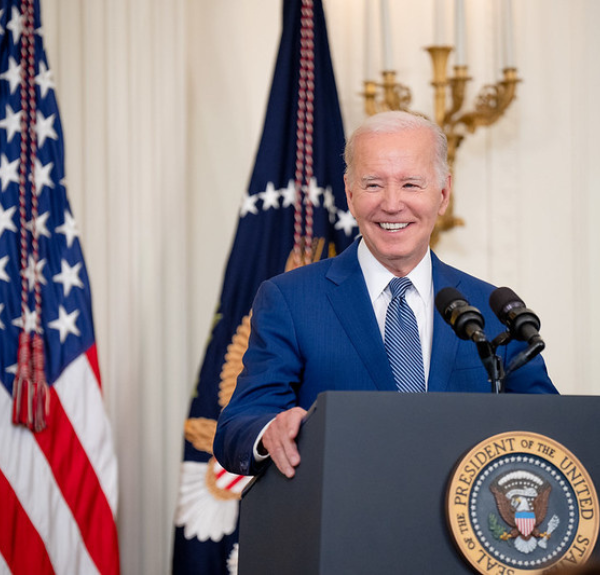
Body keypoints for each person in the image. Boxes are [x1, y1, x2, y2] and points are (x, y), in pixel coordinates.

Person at [213, 110, 558, 479]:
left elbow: (551, 432)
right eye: (373, 185)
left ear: (442, 195)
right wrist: (271, 432)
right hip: (344, 525)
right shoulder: (290, 300)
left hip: (463, 528)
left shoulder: (491, 311)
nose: (392, 204)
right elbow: (239, 425)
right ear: (349, 193)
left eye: (411, 184)